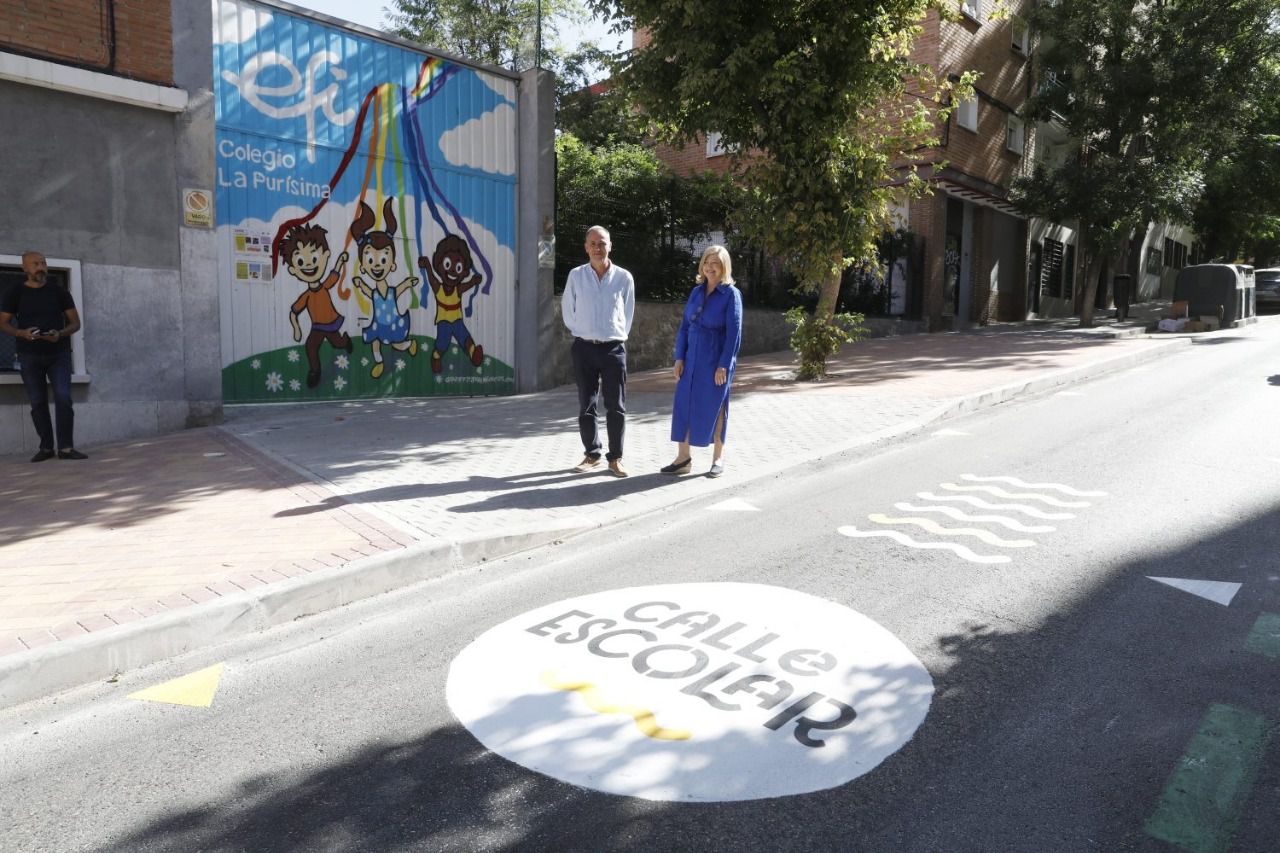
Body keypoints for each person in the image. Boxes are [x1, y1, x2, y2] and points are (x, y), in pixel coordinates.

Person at [662, 245, 743, 478]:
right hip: (691, 359)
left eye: (715, 262)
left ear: (724, 266)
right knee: (684, 404)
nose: (710, 267)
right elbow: (684, 327)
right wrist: (679, 357)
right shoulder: (696, 292)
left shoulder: (731, 295)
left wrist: (724, 364)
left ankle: (718, 458)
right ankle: (683, 458)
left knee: (717, 406)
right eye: (707, 262)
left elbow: (733, 334)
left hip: (715, 359)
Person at [562, 225, 635, 478]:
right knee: (587, 403)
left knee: (616, 405)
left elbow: (628, 313)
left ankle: (615, 458)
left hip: (613, 349)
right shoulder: (576, 276)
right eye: (593, 243)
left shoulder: (624, 278)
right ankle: (592, 454)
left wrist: (615, 333)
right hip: (584, 348)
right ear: (586, 247)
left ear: (610, 246)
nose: (597, 248)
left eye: (602, 243)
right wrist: (582, 330)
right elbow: (568, 309)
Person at [0, 251, 87, 462]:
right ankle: (46, 447)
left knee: (63, 398)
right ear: (24, 268)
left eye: (43, 263)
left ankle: (66, 448)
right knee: (37, 402)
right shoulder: (15, 292)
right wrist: (21, 333)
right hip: (29, 356)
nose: (40, 267)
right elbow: (3, 323)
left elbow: (75, 323)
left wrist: (60, 334)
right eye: (35, 264)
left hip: (58, 355)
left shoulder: (59, 292)